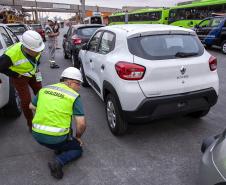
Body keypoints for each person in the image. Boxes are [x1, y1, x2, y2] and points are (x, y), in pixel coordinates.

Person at [29, 67, 86, 179]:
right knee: (77, 149)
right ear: (69, 82)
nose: (79, 87)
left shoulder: (44, 89)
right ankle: (58, 161)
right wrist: (78, 137)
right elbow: (81, 124)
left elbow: (31, 106)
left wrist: (45, 114)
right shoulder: (73, 96)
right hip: (56, 138)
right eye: (78, 84)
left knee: (63, 128)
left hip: (36, 134)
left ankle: (58, 147)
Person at [0, 30, 45, 132]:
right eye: (36, 50)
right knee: (26, 101)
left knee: (41, 94)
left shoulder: (36, 47)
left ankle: (43, 116)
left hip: (34, 73)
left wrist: (36, 69)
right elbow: (0, 67)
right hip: (20, 78)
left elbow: (37, 59)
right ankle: (31, 123)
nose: (39, 51)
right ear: (27, 48)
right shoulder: (11, 55)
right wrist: (16, 75)